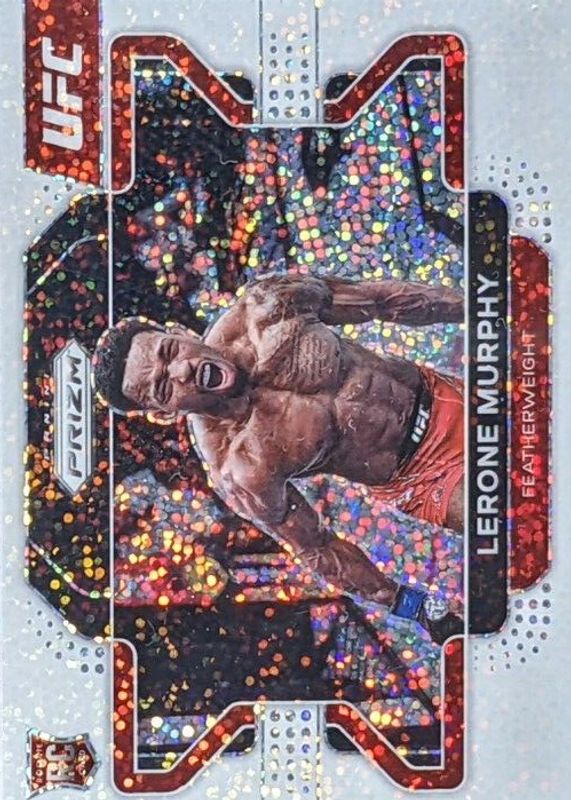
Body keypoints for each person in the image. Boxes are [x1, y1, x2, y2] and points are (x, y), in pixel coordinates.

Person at [94, 274, 465, 643]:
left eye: (169, 351)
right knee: (491, 507)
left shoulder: (267, 308)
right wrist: (412, 606)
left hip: (443, 394)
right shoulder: (237, 466)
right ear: (163, 413)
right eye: (163, 387)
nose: (181, 371)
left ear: (179, 332)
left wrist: (476, 308)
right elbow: (317, 547)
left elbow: (381, 300)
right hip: (423, 480)